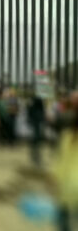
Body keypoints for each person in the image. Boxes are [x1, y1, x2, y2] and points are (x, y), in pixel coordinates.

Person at [52, 97, 78, 231]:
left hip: (69, 185)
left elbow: (61, 163)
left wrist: (54, 179)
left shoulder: (67, 136)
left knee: (63, 220)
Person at [27, 92, 45, 167]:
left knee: (35, 141)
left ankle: (34, 156)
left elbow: (29, 113)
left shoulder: (32, 105)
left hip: (34, 124)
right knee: (36, 141)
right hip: (37, 125)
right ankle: (36, 157)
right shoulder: (39, 107)